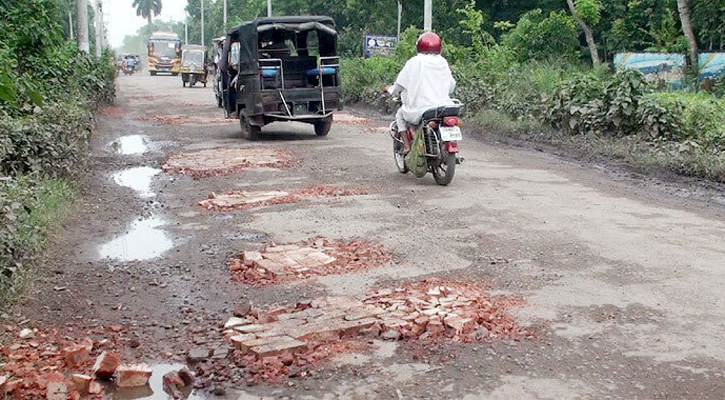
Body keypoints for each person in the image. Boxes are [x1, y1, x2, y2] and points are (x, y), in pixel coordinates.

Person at [388, 32, 456, 153]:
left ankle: (407, 146)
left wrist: (391, 90)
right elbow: (451, 86)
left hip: (421, 108)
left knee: (400, 115)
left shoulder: (414, 62)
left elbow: (399, 85)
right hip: (443, 106)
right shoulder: (443, 62)